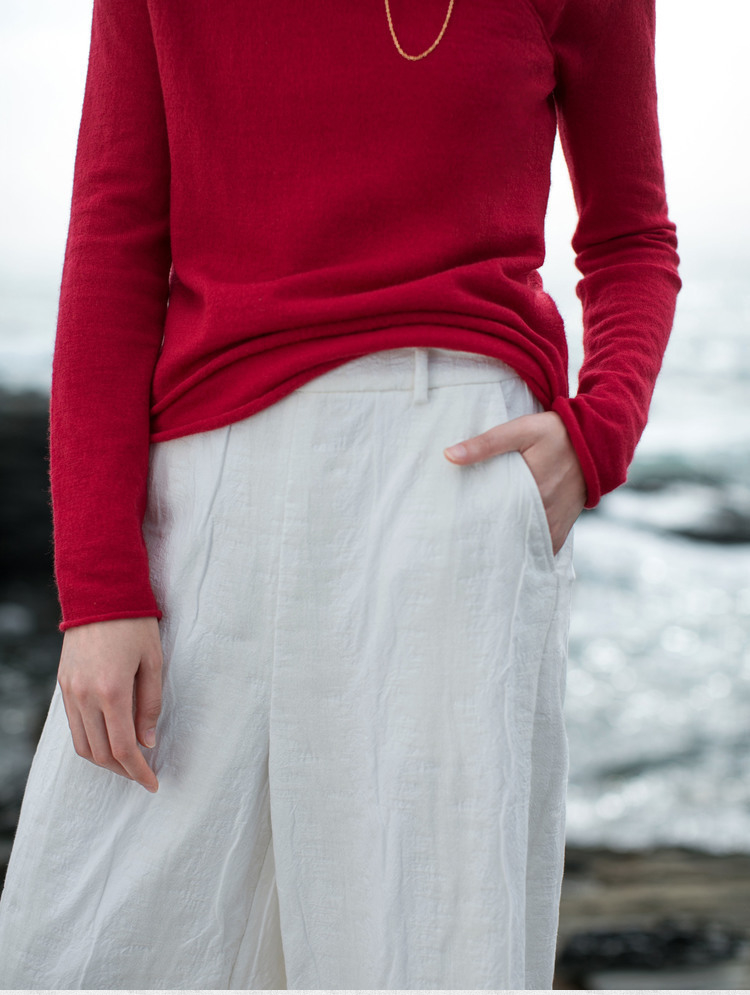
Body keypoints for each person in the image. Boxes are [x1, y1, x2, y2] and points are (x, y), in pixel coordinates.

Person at [0, 0, 681, 988]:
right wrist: (99, 586)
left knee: (429, 956)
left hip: (450, 482)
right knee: (85, 946)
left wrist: (598, 433)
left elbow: (630, 236)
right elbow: (114, 244)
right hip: (202, 493)